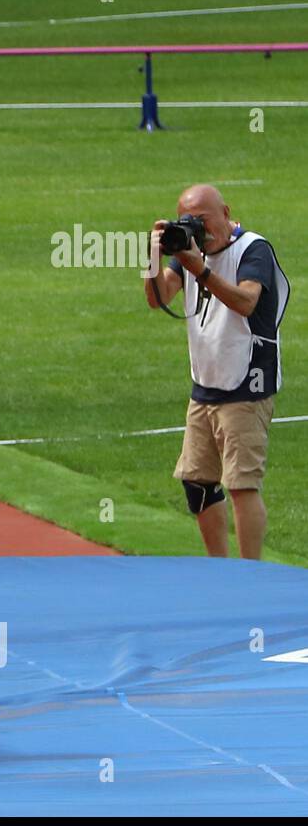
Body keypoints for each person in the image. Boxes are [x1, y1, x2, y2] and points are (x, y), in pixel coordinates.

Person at [144, 184, 290, 559]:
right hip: (205, 383)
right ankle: (220, 569)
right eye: (190, 221)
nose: (199, 229)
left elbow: (246, 301)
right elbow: (158, 298)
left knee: (241, 484)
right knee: (196, 481)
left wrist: (201, 270)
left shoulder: (253, 249)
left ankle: (249, 575)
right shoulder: (191, 250)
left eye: (204, 220)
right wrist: (151, 259)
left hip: (246, 383)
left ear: (226, 213)